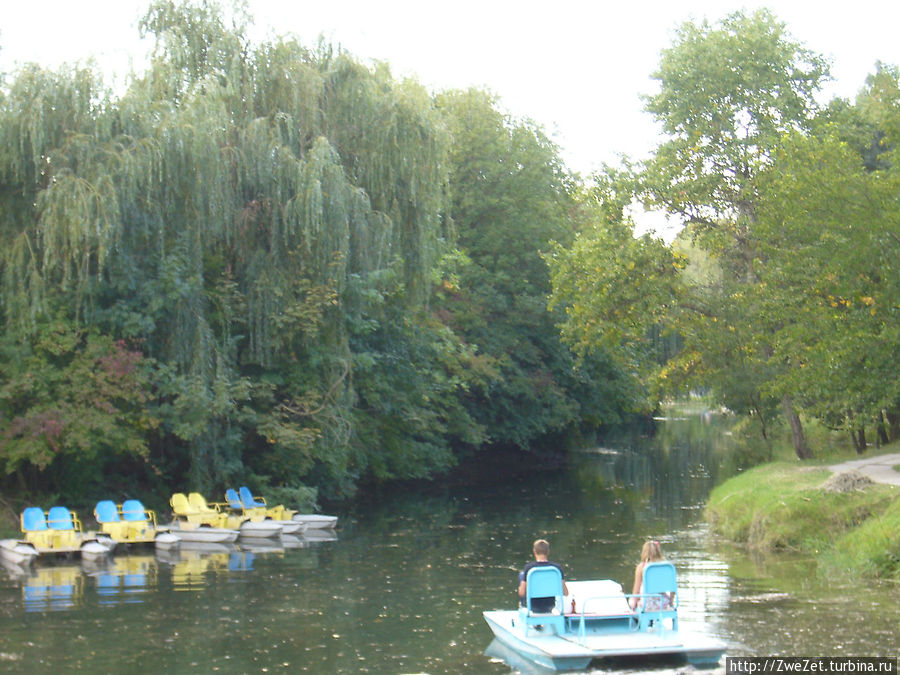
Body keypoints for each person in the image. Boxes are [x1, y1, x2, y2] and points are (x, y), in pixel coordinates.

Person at [518, 538, 569, 613]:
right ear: (548, 552)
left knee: (522, 575)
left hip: (533, 606)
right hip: (550, 605)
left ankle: (524, 609)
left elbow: (522, 593)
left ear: (534, 551)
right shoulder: (556, 569)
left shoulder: (529, 568)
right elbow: (565, 593)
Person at [630, 539, 665, 610]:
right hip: (663, 602)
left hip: (646, 603)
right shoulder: (665, 566)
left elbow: (636, 589)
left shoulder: (641, 567)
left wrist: (634, 603)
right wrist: (670, 601)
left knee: (631, 601)